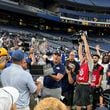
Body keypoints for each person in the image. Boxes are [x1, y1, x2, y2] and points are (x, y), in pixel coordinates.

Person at [74, 33, 93, 110]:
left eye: (86, 55)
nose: (84, 55)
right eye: (84, 55)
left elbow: (88, 52)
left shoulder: (90, 63)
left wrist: (85, 40)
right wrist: (80, 44)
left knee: (87, 102)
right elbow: (79, 53)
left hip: (85, 85)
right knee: (78, 102)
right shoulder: (82, 62)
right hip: (79, 85)